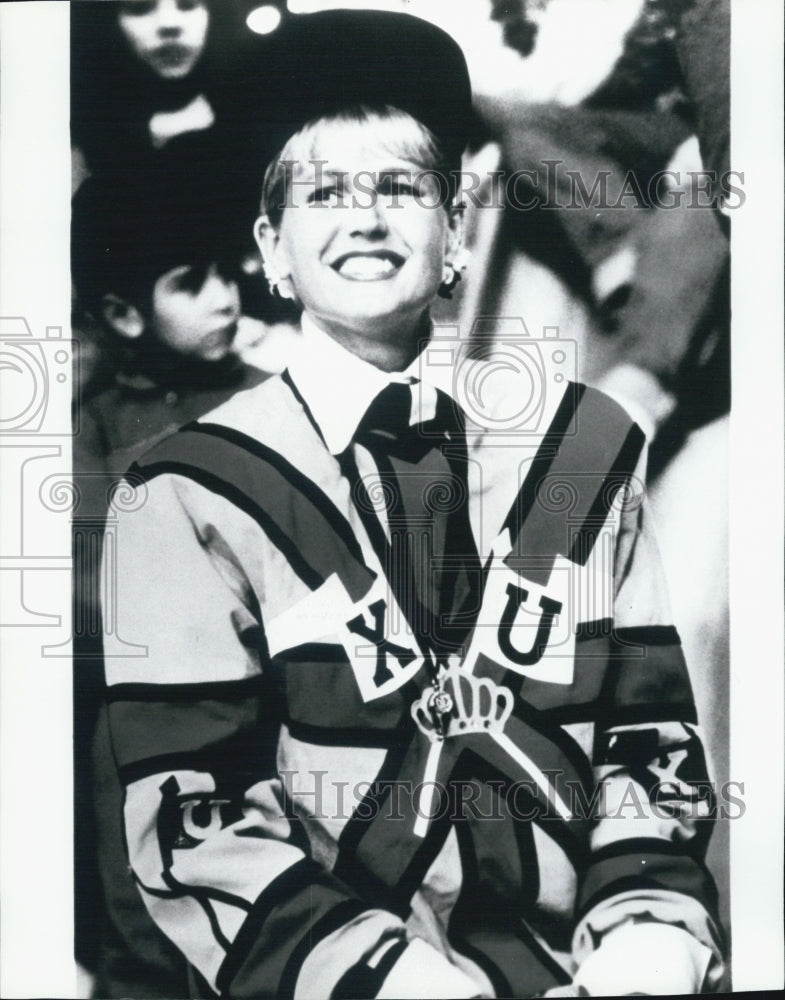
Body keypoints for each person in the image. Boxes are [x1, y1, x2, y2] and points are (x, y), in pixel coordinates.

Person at [101, 10, 725, 998]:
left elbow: (647, 751)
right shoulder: (183, 493)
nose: (364, 217)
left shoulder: (584, 452)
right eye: (323, 192)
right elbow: (195, 820)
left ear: (453, 231)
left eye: (400, 186)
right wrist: (389, 979)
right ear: (270, 247)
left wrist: (646, 927)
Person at [71, 149, 292, 997]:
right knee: (140, 893)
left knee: (266, 890)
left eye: (230, 271)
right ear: (124, 314)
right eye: (190, 282)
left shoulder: (273, 399)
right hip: (142, 702)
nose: (225, 296)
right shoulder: (95, 425)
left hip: (268, 694)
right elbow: (87, 571)